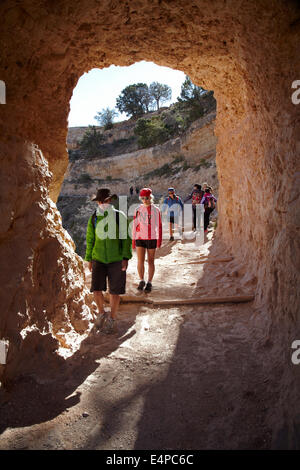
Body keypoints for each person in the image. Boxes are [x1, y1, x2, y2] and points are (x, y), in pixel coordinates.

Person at [84, 188, 132, 334]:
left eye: (104, 201)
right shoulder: (94, 218)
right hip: (98, 258)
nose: (102, 203)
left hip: (116, 259)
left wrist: (125, 257)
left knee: (114, 291)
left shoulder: (119, 216)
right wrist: (89, 259)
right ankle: (101, 313)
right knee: (96, 290)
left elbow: (126, 238)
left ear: (110, 201)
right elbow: (90, 239)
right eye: (100, 201)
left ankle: (111, 318)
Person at [132, 188, 162, 293]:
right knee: (140, 260)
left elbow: (159, 226)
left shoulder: (156, 210)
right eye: (143, 198)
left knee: (150, 261)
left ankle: (149, 282)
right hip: (140, 238)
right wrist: (133, 240)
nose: (145, 200)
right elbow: (134, 225)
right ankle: (141, 280)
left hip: (152, 238)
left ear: (151, 197)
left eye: (147, 198)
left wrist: (159, 240)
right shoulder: (137, 209)